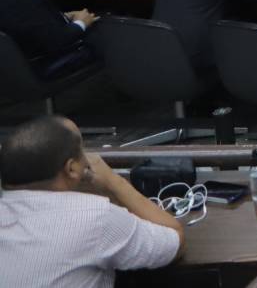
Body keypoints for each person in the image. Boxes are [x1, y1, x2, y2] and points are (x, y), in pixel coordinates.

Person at [0, 116, 185, 283]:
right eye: (82, 148)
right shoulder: (95, 216)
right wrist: (114, 181)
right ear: (72, 169)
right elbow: (175, 243)